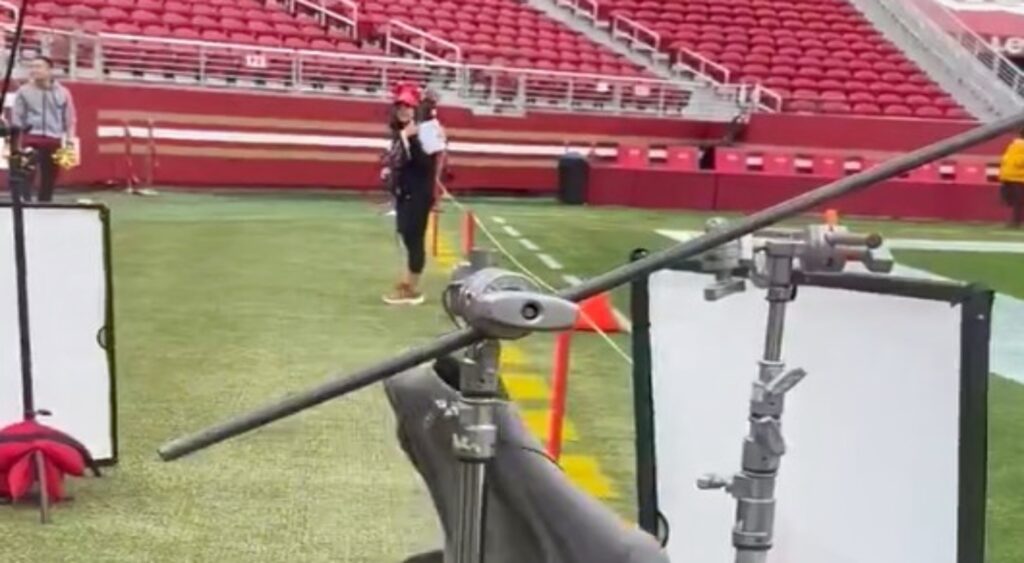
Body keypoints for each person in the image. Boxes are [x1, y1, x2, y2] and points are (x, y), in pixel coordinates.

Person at [382, 84, 440, 305]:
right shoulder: (400, 131)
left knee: (413, 238)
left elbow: (426, 164)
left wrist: (410, 140)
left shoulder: (424, 131)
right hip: (405, 192)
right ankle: (408, 280)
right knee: (406, 235)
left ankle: (411, 289)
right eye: (400, 106)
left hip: (418, 193)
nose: (403, 110)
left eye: (408, 106)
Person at [11, 56, 77, 203]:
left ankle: (45, 205)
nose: (34, 70)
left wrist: (70, 141)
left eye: (39, 67)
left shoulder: (63, 92)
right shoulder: (24, 91)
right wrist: (16, 144)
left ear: (49, 70)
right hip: (31, 139)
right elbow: (17, 117)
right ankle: (24, 205)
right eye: (32, 67)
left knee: (49, 178)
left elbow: (69, 119)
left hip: (54, 140)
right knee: (26, 175)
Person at [999, 128, 1024, 228]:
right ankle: (1015, 222)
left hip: (1008, 176)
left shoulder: (1013, 145)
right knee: (1018, 202)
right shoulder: (1019, 146)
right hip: (1018, 177)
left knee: (1015, 202)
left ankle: (1014, 222)